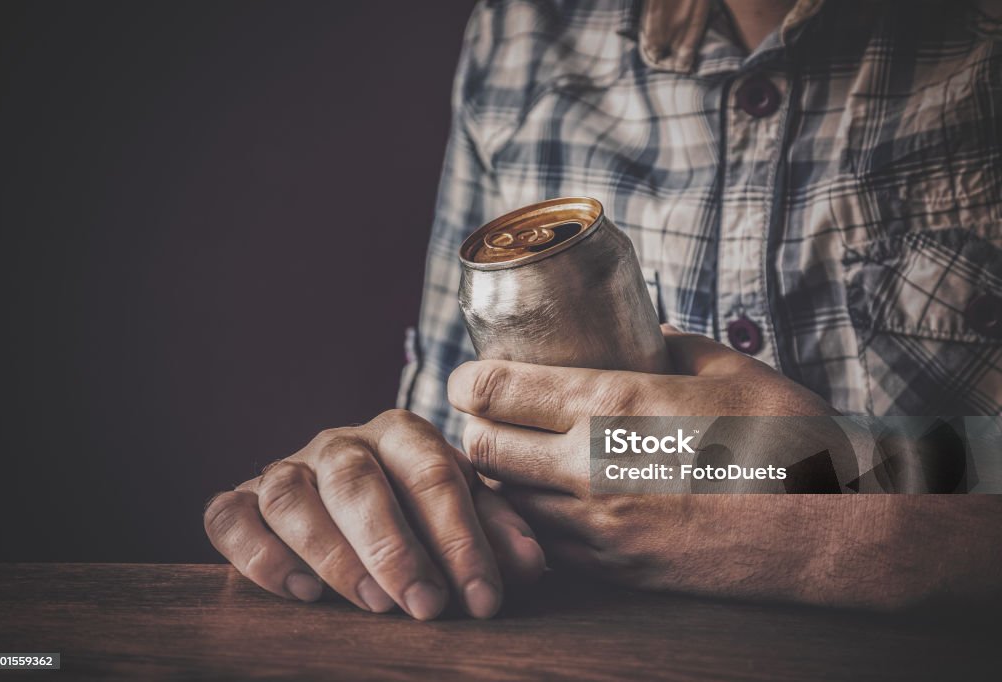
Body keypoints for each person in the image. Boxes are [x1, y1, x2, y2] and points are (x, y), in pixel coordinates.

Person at [204, 0, 1002, 620]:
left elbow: (820, 498)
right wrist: (384, 494)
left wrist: (853, 514)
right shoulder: (523, 28)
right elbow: (459, 447)